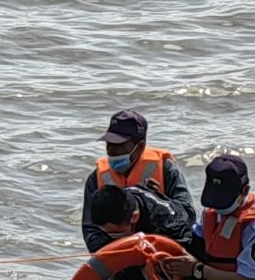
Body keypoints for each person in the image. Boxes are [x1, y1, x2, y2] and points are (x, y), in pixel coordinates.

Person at [80, 109, 196, 255]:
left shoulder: (166, 169)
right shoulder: (96, 178)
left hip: (161, 251)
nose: (111, 151)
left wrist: (156, 198)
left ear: (139, 146)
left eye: (119, 145)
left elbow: (187, 214)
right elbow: (90, 228)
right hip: (117, 254)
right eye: (108, 144)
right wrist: (117, 255)